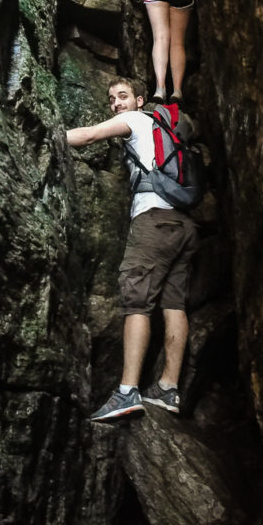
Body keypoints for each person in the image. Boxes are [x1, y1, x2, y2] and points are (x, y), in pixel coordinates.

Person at [66, 76, 200, 421]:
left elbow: (89, 135)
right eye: (111, 99)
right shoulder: (167, 132)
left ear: (140, 101)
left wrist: (51, 134)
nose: (116, 104)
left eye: (122, 96)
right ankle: (168, 389)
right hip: (183, 225)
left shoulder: (135, 120)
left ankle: (127, 391)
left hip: (153, 222)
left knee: (135, 301)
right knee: (174, 304)